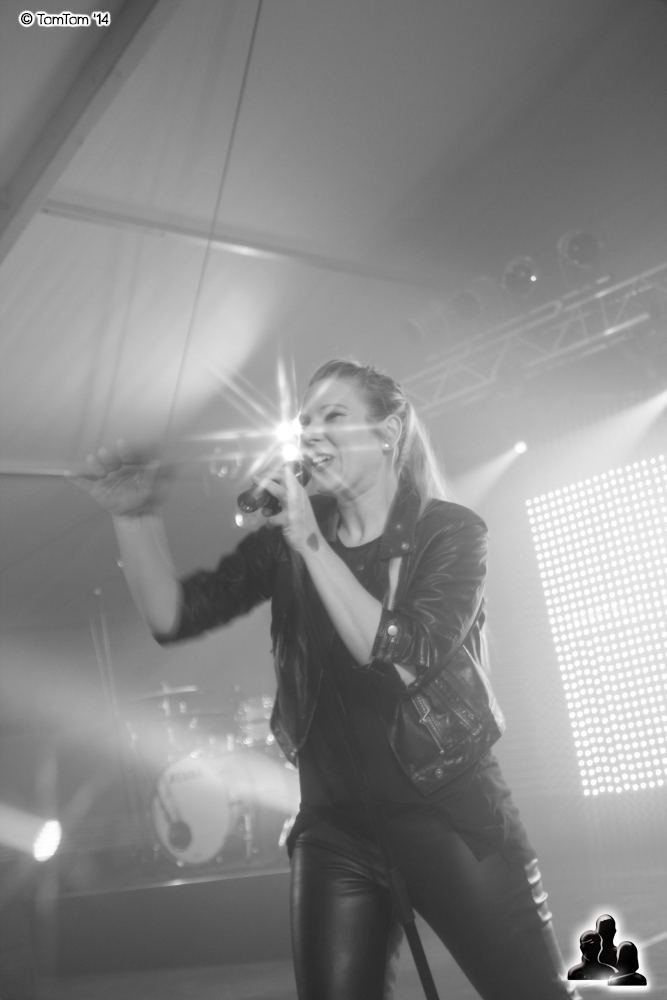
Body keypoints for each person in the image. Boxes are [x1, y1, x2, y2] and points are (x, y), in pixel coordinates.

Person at [72, 360, 579, 1000]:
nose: (311, 431)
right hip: (336, 831)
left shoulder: (448, 533)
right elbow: (173, 615)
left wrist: (310, 541)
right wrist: (134, 517)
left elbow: (400, 656)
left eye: (333, 416)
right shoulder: (291, 538)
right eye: (304, 420)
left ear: (388, 432)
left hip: (450, 817)